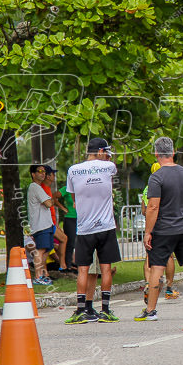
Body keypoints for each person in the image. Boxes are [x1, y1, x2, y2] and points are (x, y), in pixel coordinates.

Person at [139, 138, 183, 322]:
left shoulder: (157, 177)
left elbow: (152, 207)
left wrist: (148, 232)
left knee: (157, 267)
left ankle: (150, 311)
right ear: (173, 153)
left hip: (164, 230)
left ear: (156, 155)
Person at [64, 138, 121, 324]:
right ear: (101, 151)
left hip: (85, 228)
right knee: (105, 268)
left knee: (82, 269)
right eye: (106, 153)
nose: (107, 156)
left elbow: (74, 198)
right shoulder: (109, 167)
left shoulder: (73, 170)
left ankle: (81, 310)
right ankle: (105, 310)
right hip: (106, 226)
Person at [142, 162, 180, 300]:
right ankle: (169, 289)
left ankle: (148, 284)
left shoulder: (147, 188)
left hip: (150, 226)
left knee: (149, 257)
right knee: (169, 256)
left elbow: (144, 210)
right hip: (164, 225)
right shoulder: (167, 185)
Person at [26, 164, 55, 286]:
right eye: (40, 171)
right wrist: (55, 198)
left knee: (46, 250)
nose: (43, 173)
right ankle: (38, 276)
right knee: (40, 250)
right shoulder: (34, 187)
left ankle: (42, 275)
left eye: (44, 171)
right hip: (40, 225)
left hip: (46, 224)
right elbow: (48, 203)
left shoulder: (39, 187)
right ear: (33, 174)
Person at [43, 169, 70, 273]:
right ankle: (45, 271)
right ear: (48, 176)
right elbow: (49, 204)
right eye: (53, 174)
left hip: (52, 222)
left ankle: (62, 265)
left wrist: (56, 223)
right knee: (44, 248)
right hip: (46, 223)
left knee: (62, 239)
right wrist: (63, 208)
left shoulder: (48, 188)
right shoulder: (43, 189)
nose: (54, 176)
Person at [59, 177, 78, 274]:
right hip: (70, 217)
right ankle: (68, 265)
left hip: (81, 218)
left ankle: (78, 264)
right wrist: (63, 208)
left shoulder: (80, 187)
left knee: (80, 242)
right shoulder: (66, 189)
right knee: (70, 242)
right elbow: (54, 198)